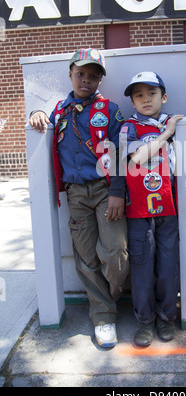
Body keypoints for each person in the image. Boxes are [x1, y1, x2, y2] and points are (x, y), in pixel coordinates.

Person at [29, 48, 129, 348]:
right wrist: (37, 115)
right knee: (86, 258)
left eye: (93, 75)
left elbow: (122, 152)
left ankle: (112, 295)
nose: (86, 80)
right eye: (81, 74)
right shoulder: (59, 110)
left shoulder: (110, 110)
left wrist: (116, 192)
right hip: (75, 195)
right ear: (71, 73)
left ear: (100, 79)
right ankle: (104, 316)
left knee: (115, 253)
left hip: (104, 189)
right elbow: (44, 125)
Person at [120, 71, 186, 347]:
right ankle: (144, 320)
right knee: (142, 266)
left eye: (152, 93)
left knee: (167, 265)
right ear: (132, 101)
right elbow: (137, 158)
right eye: (139, 95)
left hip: (168, 208)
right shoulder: (129, 126)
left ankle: (166, 317)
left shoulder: (173, 121)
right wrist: (167, 133)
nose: (146, 99)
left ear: (163, 97)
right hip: (140, 211)